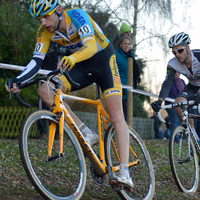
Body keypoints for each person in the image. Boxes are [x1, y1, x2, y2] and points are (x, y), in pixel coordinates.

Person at [5, 0, 133, 189]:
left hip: (103, 59)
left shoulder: (77, 16)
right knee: (45, 90)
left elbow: (90, 46)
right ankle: (86, 131)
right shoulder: (44, 32)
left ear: (58, 10)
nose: (43, 22)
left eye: (46, 16)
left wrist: (72, 58)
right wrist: (18, 80)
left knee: (116, 116)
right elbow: (36, 61)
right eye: (39, 19)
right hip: (81, 64)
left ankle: (125, 172)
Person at [151, 32, 200, 141]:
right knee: (177, 104)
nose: (177, 54)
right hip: (193, 87)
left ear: (188, 48)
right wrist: (159, 100)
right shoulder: (172, 64)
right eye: (174, 52)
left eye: (180, 50)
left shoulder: (198, 56)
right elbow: (167, 83)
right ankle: (194, 138)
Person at [115, 35, 141, 121]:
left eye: (129, 44)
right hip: (119, 89)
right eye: (125, 44)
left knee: (128, 116)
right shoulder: (115, 54)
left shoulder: (131, 55)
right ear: (121, 44)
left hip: (129, 90)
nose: (127, 46)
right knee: (119, 116)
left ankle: (127, 134)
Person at [163, 72, 186, 137]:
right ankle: (174, 137)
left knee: (181, 121)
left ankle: (179, 137)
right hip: (171, 105)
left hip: (181, 106)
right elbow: (165, 93)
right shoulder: (168, 82)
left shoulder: (182, 82)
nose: (176, 73)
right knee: (175, 120)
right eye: (175, 72)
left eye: (178, 72)